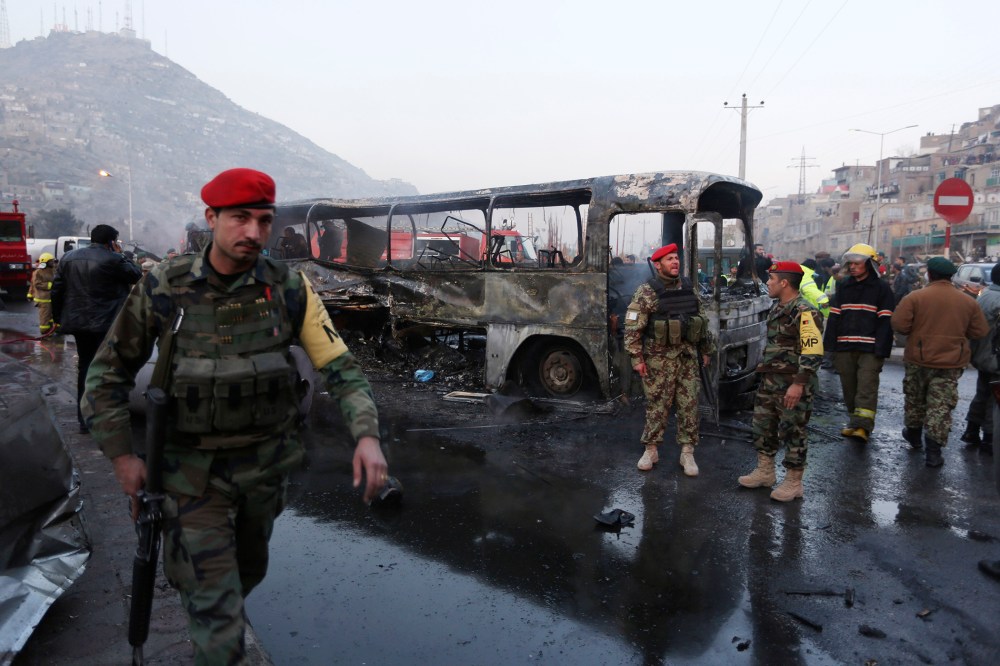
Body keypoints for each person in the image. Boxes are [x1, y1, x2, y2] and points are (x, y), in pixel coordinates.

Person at [82, 168, 388, 664]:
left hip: (264, 476)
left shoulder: (289, 288)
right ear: (212, 217)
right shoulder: (166, 285)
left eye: (263, 221)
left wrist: (367, 436)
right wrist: (122, 457)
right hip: (189, 478)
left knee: (241, 580)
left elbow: (340, 368)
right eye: (240, 218)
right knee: (219, 618)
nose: (253, 231)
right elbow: (107, 374)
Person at [624, 243, 715, 476]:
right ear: (658, 265)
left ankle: (687, 452)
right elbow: (633, 328)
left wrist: (706, 349)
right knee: (657, 405)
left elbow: (702, 320)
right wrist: (636, 358)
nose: (675, 262)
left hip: (687, 358)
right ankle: (651, 449)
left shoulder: (688, 287)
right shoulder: (646, 292)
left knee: (689, 405)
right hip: (658, 359)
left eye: (676, 258)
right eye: (669, 259)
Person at [891, 257, 989, 466]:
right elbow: (980, 331)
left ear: (930, 274)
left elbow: (899, 325)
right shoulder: (968, 301)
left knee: (915, 399)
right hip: (950, 362)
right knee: (941, 406)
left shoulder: (915, 297)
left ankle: (914, 435)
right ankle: (933, 452)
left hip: (918, 359)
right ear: (951, 276)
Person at [738, 262, 823, 501]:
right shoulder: (777, 307)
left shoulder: (805, 311)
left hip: (792, 383)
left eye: (772, 279)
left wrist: (799, 384)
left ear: (784, 283)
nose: (768, 283)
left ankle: (794, 482)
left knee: (792, 431)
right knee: (763, 426)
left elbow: (812, 351)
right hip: (771, 380)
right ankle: (765, 472)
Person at [52, 224, 142, 433]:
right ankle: (105, 418)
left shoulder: (68, 258)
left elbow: (56, 290)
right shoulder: (114, 259)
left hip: (79, 323)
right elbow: (137, 275)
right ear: (111, 242)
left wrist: (58, 319)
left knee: (85, 367)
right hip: (107, 323)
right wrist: (122, 255)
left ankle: (84, 420)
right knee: (109, 369)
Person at [823, 243, 895, 443]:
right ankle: (854, 422)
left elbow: (886, 321)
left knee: (866, 386)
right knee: (849, 387)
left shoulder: (881, 289)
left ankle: (863, 426)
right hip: (845, 346)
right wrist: (829, 347)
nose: (852, 267)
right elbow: (835, 317)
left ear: (869, 264)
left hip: (870, 348)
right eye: (850, 264)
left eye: (857, 263)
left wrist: (882, 349)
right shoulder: (844, 286)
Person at [962, 263, 1000, 453]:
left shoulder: (984, 295)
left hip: (982, 355)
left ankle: (971, 430)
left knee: (983, 393)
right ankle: (989, 438)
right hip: (996, 358)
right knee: (995, 400)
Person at [30, 252, 58, 334]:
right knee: (44, 316)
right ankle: (44, 332)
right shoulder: (38, 272)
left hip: (50, 298)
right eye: (51, 261)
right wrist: (50, 285)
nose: (52, 263)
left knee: (50, 316)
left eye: (52, 261)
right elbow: (37, 284)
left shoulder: (52, 270)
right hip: (43, 299)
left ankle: (51, 330)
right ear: (45, 262)